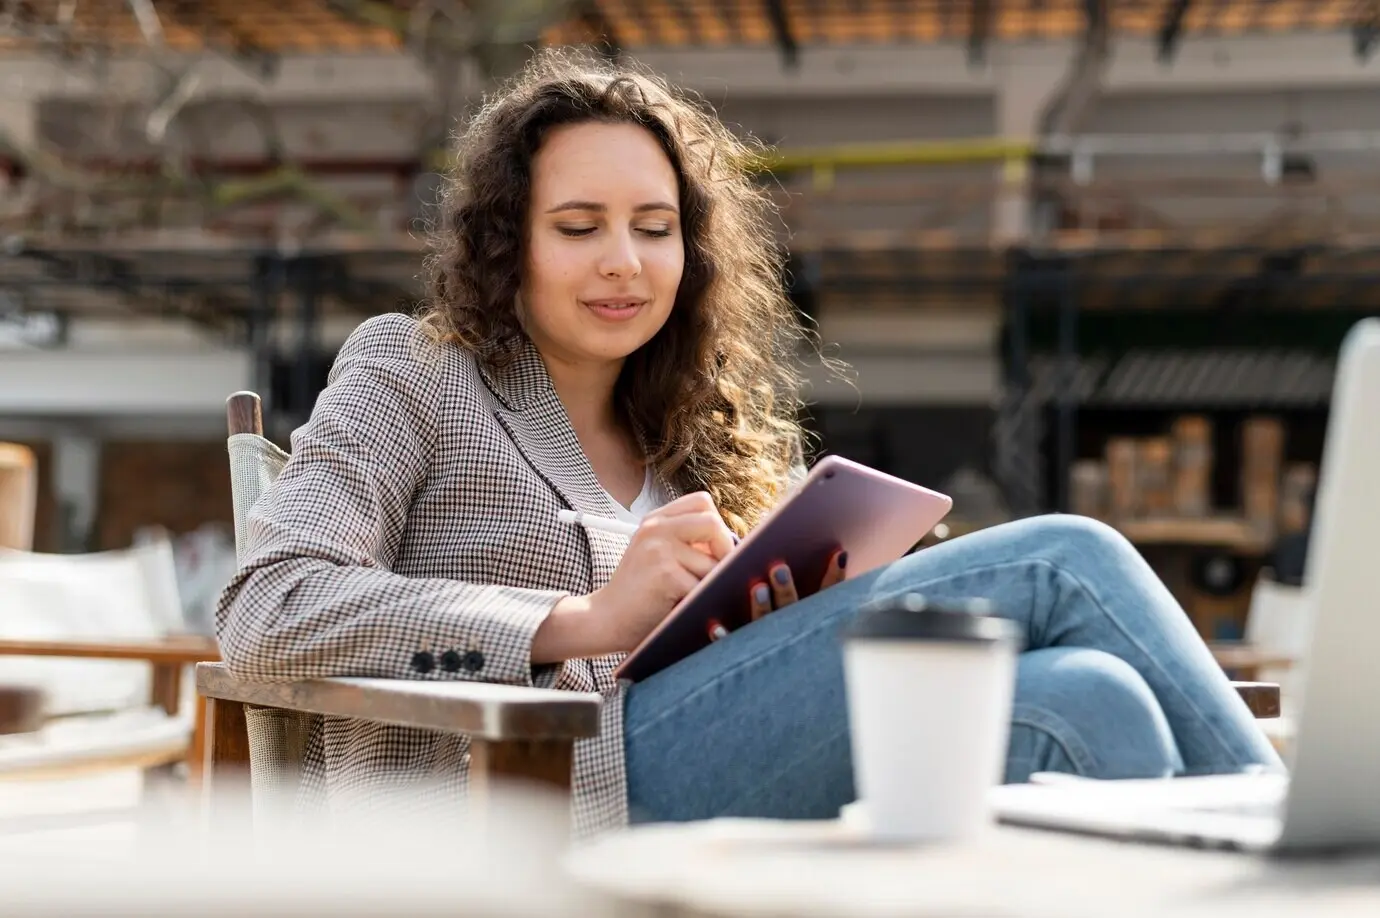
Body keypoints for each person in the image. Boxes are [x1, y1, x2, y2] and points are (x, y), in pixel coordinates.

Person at [216, 48, 1282, 838]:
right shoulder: (416, 371)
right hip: (532, 800)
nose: (624, 262)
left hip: (693, 774)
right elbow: (268, 611)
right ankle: (1312, 870)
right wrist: (576, 620)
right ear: (508, 244)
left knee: (1090, 704)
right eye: (578, 227)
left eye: (655, 226)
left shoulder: (692, 432)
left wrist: (778, 614)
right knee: (1066, 559)